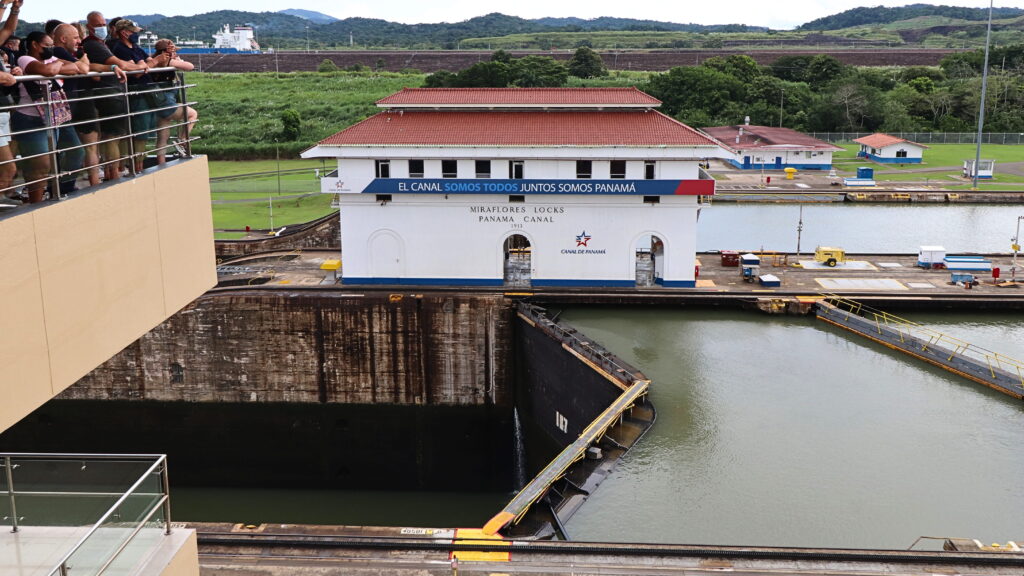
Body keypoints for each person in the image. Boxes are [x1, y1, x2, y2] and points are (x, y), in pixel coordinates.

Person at [12, 30, 85, 203]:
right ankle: (35, 203)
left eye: (52, 46)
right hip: (30, 119)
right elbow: (48, 71)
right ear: (35, 45)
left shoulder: (51, 59)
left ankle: (52, 194)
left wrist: (55, 65)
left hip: (52, 117)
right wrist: (58, 63)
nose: (51, 49)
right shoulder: (25, 59)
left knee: (52, 161)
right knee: (40, 165)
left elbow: (78, 68)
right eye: (47, 45)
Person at [82, 11, 140, 181]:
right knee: (112, 137)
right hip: (108, 95)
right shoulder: (93, 44)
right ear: (89, 27)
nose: (102, 28)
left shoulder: (102, 43)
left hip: (108, 93)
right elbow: (120, 64)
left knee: (110, 137)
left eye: (103, 24)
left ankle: (111, 172)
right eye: (98, 25)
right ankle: (113, 174)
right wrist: (141, 67)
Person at [110, 18, 170, 173]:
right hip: (135, 94)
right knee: (138, 132)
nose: (136, 35)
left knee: (143, 132)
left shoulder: (136, 47)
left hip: (146, 92)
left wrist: (154, 62)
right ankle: (132, 168)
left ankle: (136, 166)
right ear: (125, 33)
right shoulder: (120, 49)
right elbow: (137, 71)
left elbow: (147, 63)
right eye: (133, 32)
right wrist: (149, 64)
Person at [52, 22, 100, 186]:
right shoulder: (58, 51)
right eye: (75, 37)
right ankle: (64, 187)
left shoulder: (63, 53)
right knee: (75, 151)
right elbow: (84, 69)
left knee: (67, 151)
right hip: (59, 113)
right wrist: (84, 60)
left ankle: (62, 187)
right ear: (63, 39)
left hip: (64, 112)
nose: (79, 41)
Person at [151, 38, 196, 164]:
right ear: (166, 51)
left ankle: (161, 162)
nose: (175, 53)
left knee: (163, 136)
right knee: (192, 114)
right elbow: (190, 66)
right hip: (167, 102)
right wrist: (178, 61)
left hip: (156, 101)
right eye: (174, 51)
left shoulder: (153, 60)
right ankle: (182, 140)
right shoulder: (168, 61)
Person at [0, 0, 22, 205]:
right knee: (9, 168)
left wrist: (15, 9)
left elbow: (7, 30)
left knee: (6, 168)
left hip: (3, 112)